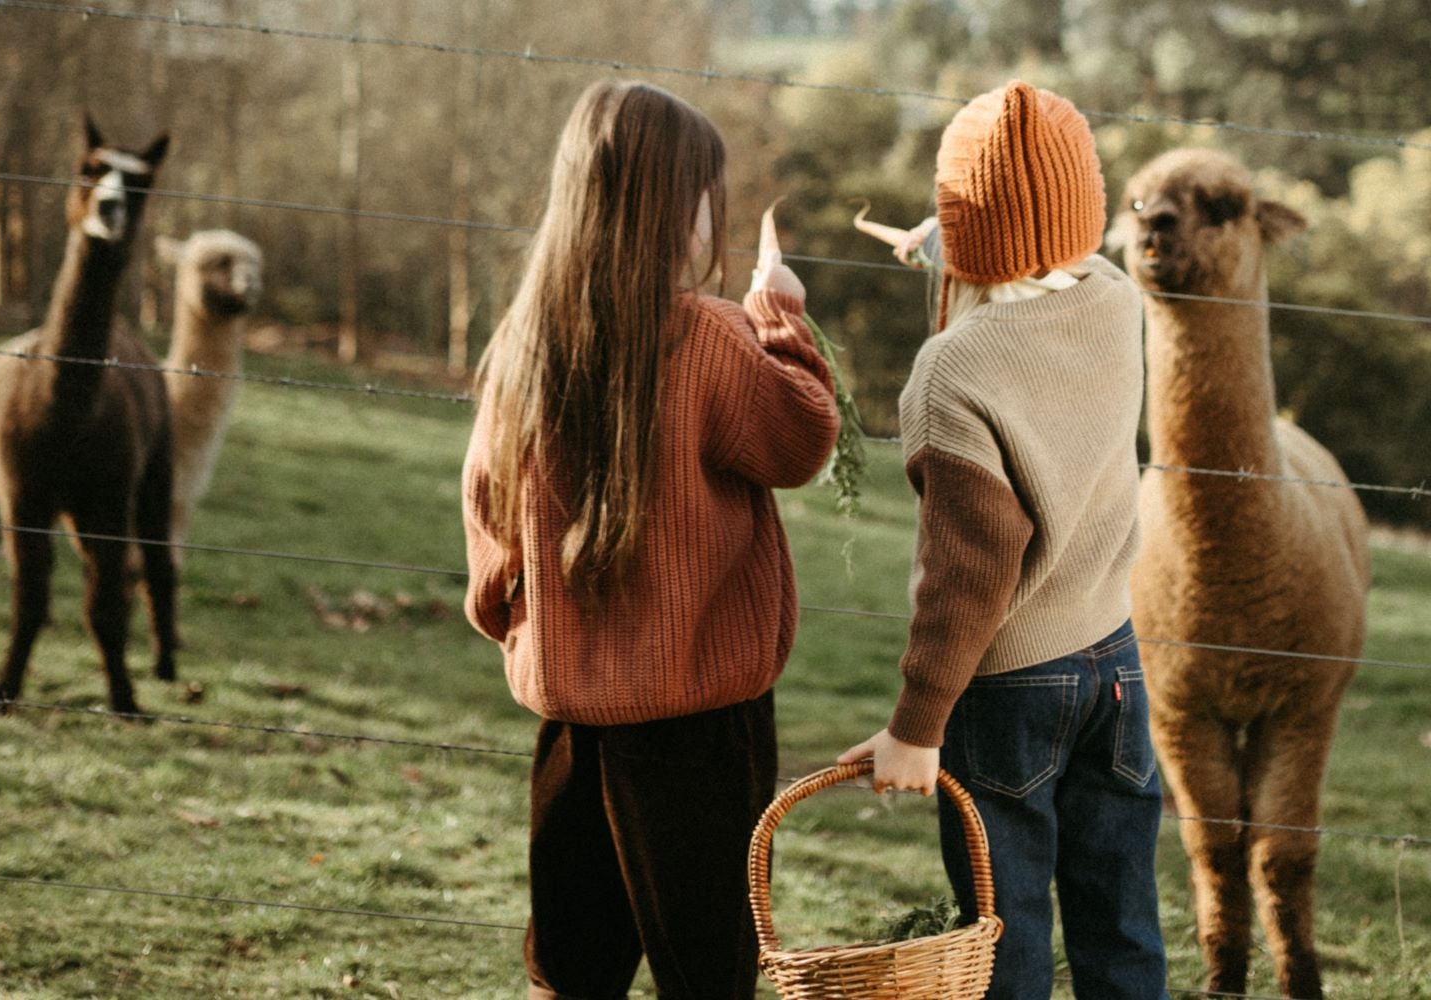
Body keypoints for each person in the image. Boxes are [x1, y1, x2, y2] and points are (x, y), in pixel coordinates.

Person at [461, 79, 839, 1000]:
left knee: (570, 969)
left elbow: (487, 512)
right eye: (710, 195)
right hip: (701, 726)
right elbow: (802, 441)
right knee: (707, 972)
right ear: (676, 210)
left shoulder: (525, 345)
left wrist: (521, 627)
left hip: (572, 720)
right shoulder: (712, 338)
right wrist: (781, 318)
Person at [840, 79, 1166, 1000]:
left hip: (1008, 688)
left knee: (1006, 937)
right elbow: (1044, 262)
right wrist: (954, 244)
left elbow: (968, 576)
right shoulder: (1115, 302)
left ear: (962, 231)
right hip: (1115, 664)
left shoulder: (953, 371)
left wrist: (916, 728)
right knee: (1122, 924)